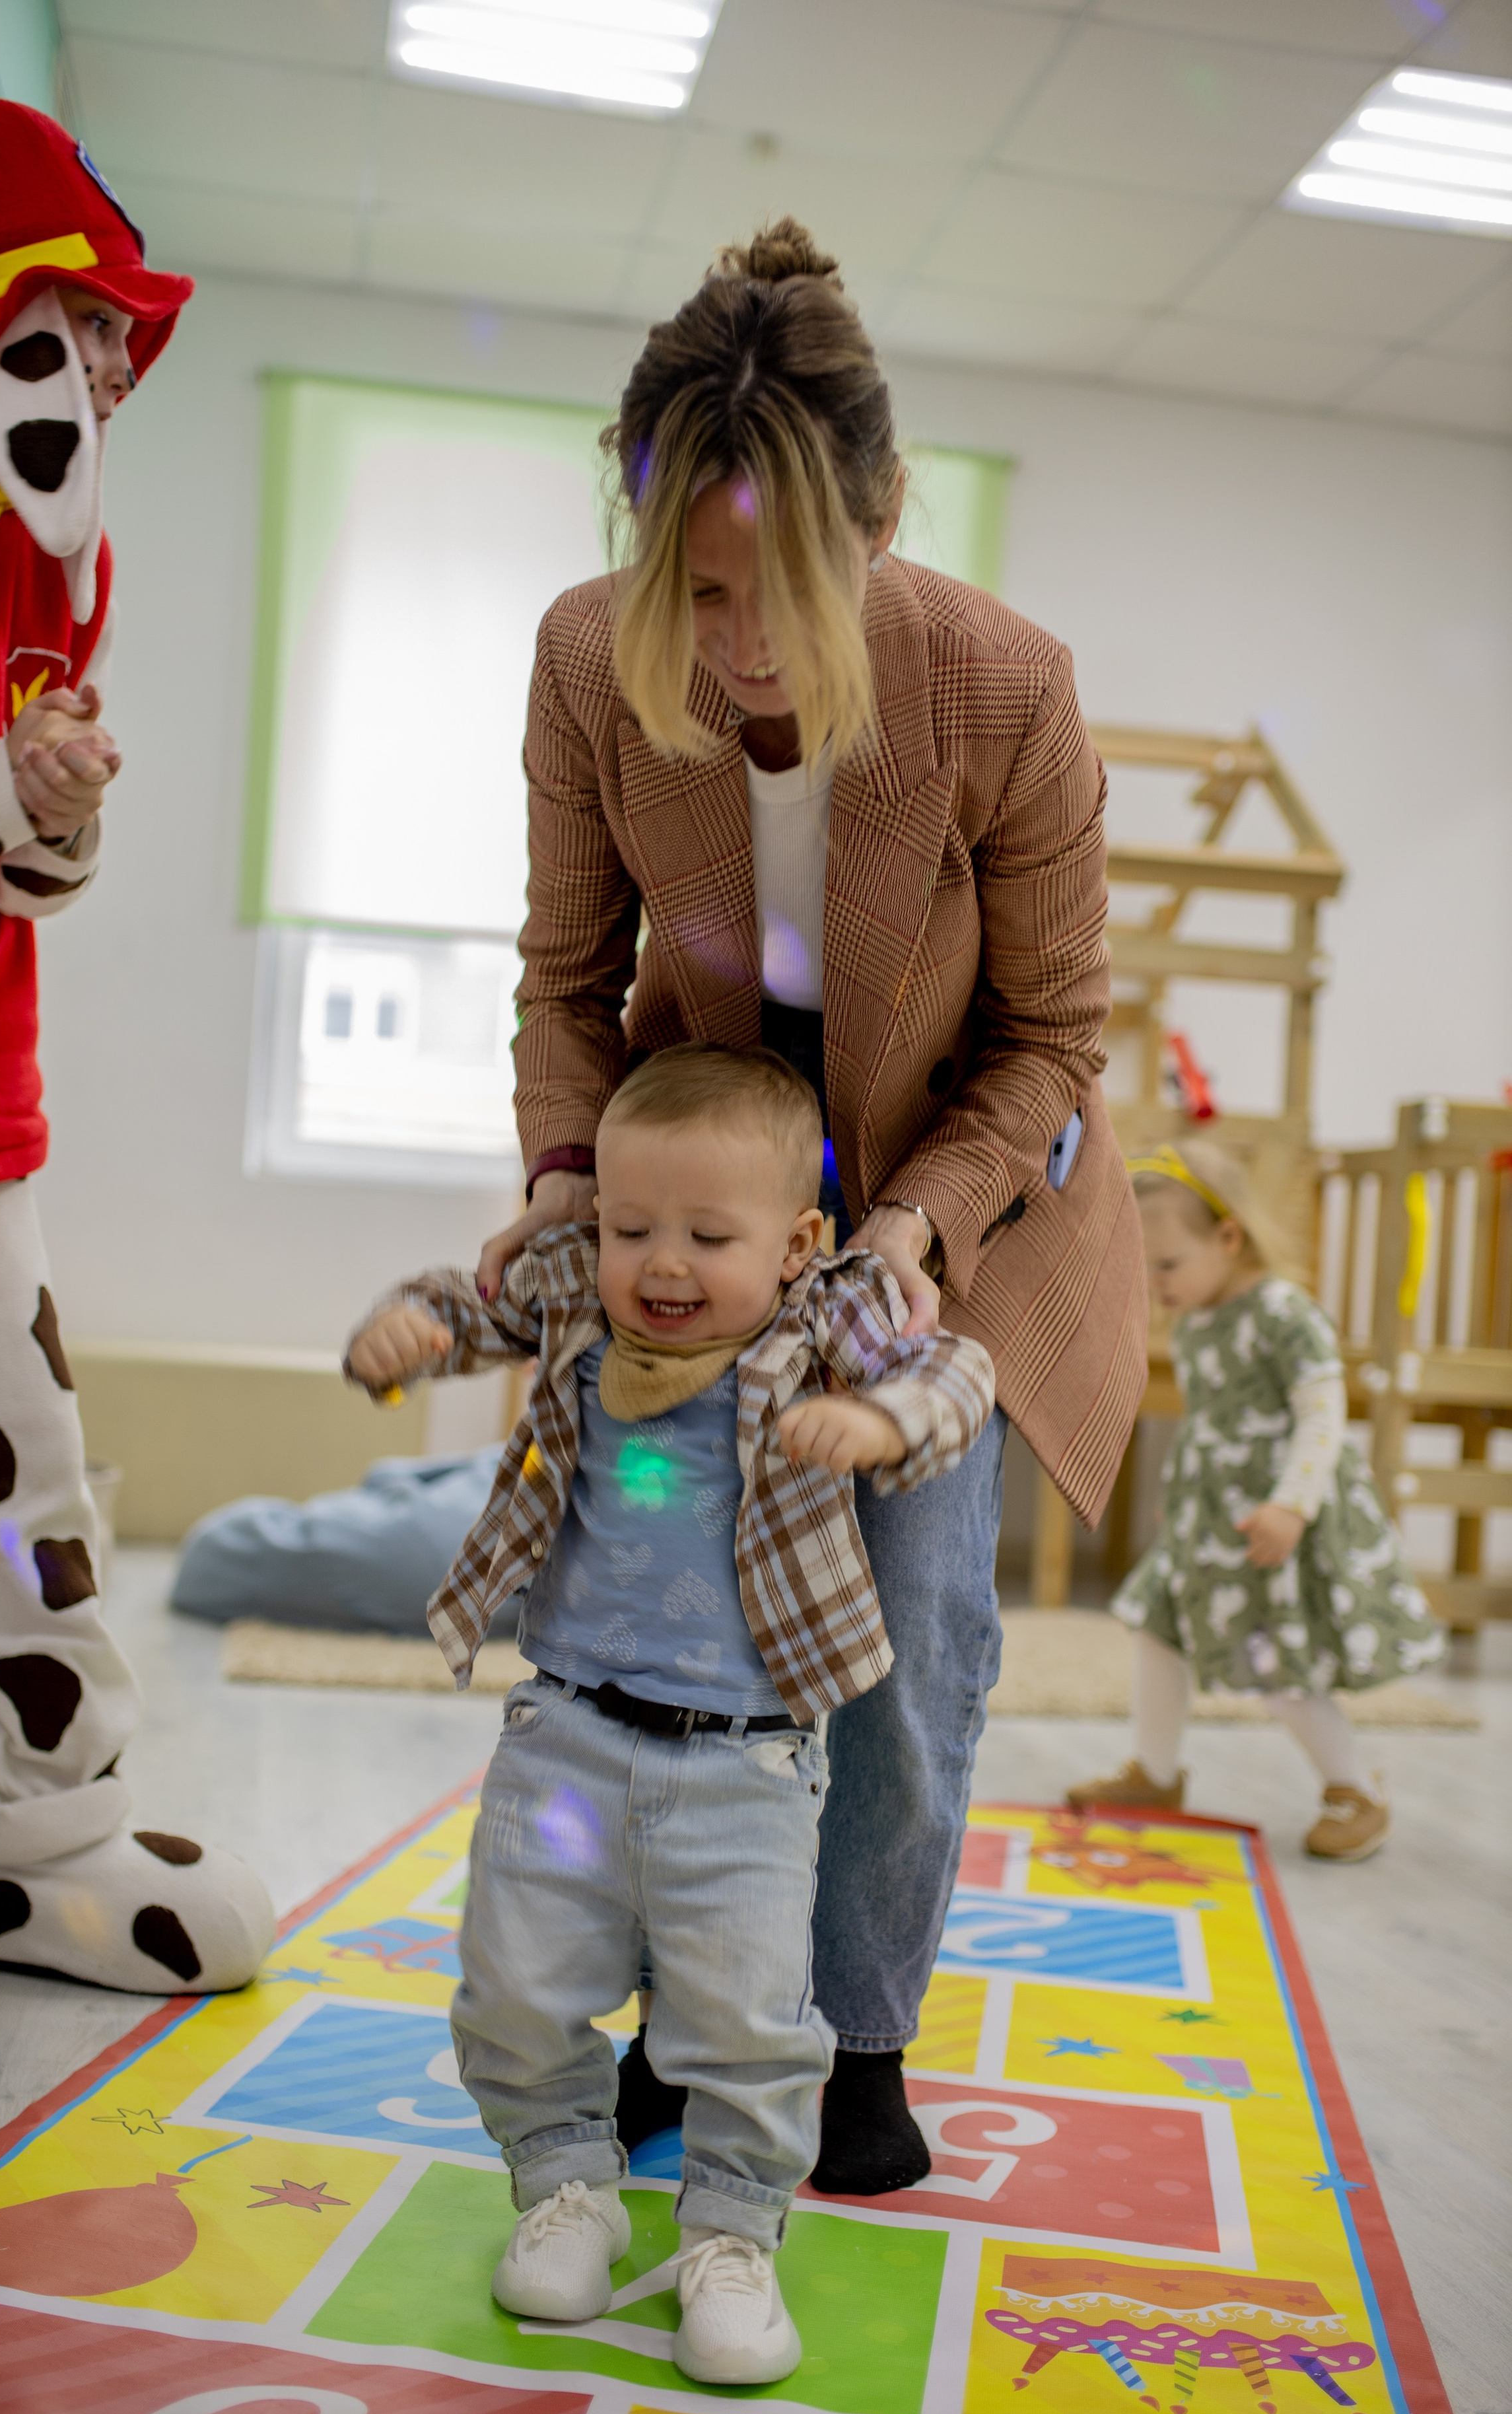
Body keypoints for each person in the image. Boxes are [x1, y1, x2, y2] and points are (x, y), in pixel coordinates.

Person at [474, 218, 1146, 2192]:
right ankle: (685, 2018)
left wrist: (913, 1236)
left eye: (785, 589)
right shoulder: (592, 659)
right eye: (698, 588)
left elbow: (1051, 1045)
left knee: (911, 1626)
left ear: (880, 523)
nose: (742, 642)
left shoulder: (1003, 690)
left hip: (957, 1204)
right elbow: (559, 975)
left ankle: (852, 2033)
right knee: (657, 1617)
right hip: (696, 1195)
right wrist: (570, 1196)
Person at [0, 90, 274, 2010]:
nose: (102, 372)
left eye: (114, 342)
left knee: (15, 1461)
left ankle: (44, 1838)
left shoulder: (51, 550)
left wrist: (52, 819)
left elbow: (17, 862)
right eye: (70, 332)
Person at [345, 1046, 995, 2382]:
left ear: (799, 1240)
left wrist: (879, 1426)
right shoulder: (580, 1298)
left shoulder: (824, 1315)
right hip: (567, 1738)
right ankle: (564, 2187)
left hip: (745, 1766)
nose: (662, 1264)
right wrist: (404, 1329)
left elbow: (958, 1377)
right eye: (631, 1228)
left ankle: (732, 2242)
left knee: (749, 2021)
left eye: (709, 1235)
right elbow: (464, 1298)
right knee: (514, 1982)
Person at [1066, 1141, 1446, 1861]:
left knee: (1279, 1667)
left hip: (1272, 1525)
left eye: (1167, 1266)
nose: (1156, 1285)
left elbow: (1322, 1414)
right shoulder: (1202, 1322)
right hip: (1208, 1528)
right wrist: (1180, 1502)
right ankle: (1154, 1771)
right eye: (1145, 1270)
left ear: (1228, 1237)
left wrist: (1291, 1506)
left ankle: (1356, 1788)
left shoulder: (1282, 1312)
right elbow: (1211, 1426)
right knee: (1156, 1629)